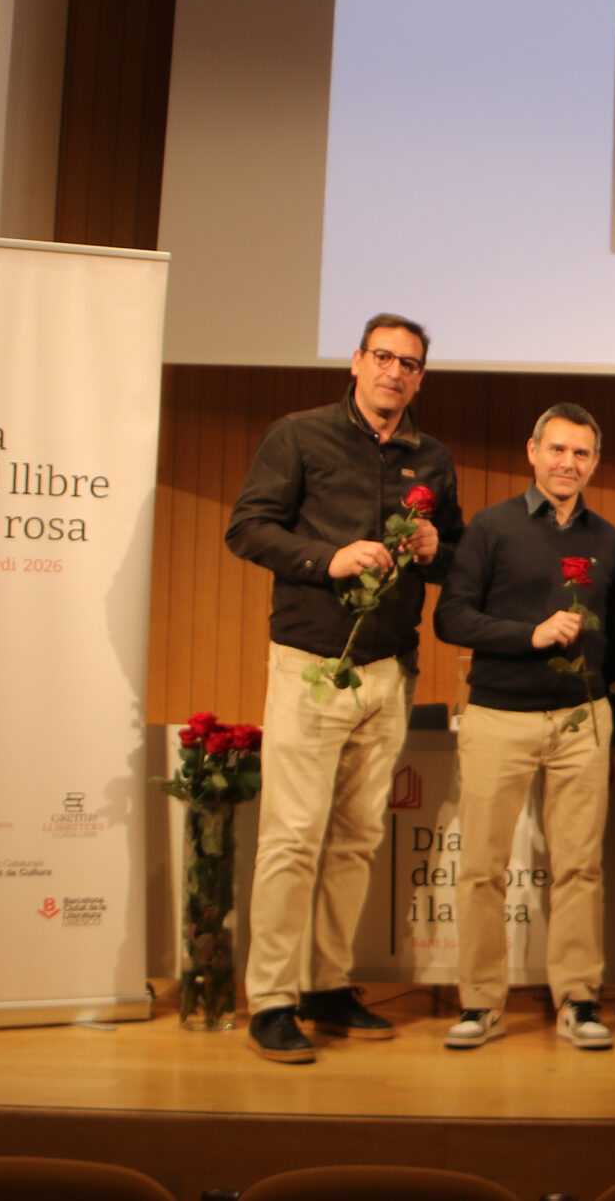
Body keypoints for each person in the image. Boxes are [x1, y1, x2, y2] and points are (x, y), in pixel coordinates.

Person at [225, 312, 463, 1063]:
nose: (394, 372)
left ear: (420, 378)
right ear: (355, 361)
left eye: (409, 364)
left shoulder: (432, 458)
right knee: (292, 837)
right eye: (383, 357)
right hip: (311, 663)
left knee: (357, 839)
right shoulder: (299, 435)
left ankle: (327, 985)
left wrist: (437, 548)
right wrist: (327, 559)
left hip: (389, 669)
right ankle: (271, 998)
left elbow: (454, 558)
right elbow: (247, 528)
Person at [432, 404, 615, 1051]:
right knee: (481, 869)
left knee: (581, 868)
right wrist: (529, 635)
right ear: (533, 451)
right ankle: (480, 1003)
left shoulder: (608, 539)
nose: (568, 463)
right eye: (558, 450)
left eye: (581, 453)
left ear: (594, 463)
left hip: (583, 720)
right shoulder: (490, 527)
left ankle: (578, 999)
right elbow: (451, 618)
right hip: (498, 716)